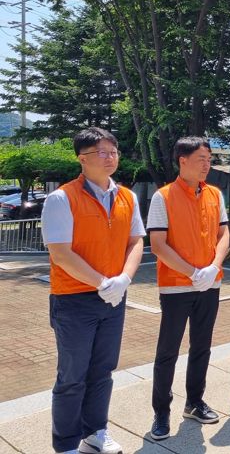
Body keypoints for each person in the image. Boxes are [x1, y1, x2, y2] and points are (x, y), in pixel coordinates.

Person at [41, 127, 145, 454]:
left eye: (113, 151)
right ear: (81, 158)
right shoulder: (62, 198)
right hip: (74, 299)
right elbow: (60, 252)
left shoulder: (127, 196)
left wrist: (124, 280)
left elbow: (136, 241)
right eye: (101, 152)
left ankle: (95, 432)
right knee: (72, 375)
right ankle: (67, 444)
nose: (110, 157)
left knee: (103, 370)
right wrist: (102, 282)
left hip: (114, 297)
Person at [146, 137, 230, 441]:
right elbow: (157, 245)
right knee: (167, 351)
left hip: (210, 283)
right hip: (177, 286)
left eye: (209, 159)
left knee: (202, 347)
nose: (207, 164)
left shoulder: (215, 194)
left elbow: (224, 233)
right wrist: (192, 271)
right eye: (201, 159)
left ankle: (194, 402)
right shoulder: (163, 197)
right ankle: (161, 412)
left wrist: (212, 267)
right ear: (183, 160)